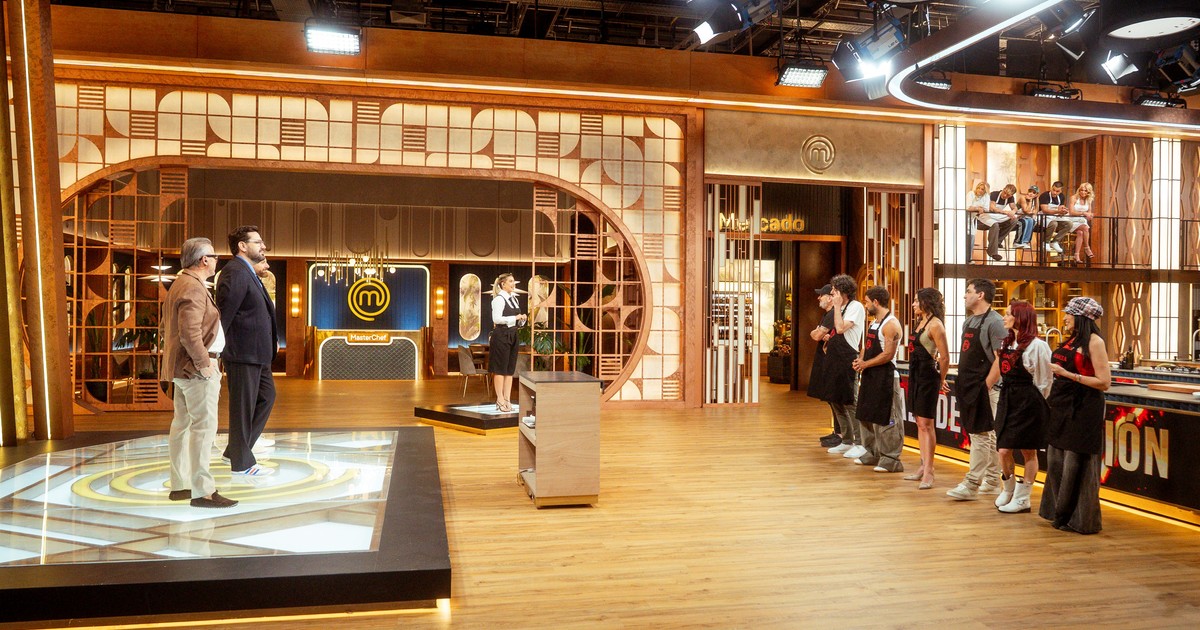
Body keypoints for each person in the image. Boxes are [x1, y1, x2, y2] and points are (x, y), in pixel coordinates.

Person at [161, 237, 237, 508]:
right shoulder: (192, 287)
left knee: (182, 426)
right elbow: (190, 333)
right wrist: (205, 364)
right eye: (214, 257)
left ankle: (181, 485)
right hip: (195, 369)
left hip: (181, 368)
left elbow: (169, 329)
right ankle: (203, 492)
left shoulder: (180, 283)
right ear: (204, 260)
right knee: (203, 429)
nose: (217, 261)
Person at [1040, 297, 1110, 533]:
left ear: (1081, 317)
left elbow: (1104, 382)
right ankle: (1058, 512)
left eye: (1069, 313)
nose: (1065, 317)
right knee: (1056, 460)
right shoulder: (1071, 340)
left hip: (1084, 409)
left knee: (1076, 464)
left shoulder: (1095, 342)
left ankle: (1080, 520)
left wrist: (1069, 375)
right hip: (1062, 406)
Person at [215, 225, 277, 477]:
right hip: (243, 354)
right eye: (258, 242)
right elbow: (224, 317)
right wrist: (217, 352)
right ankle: (241, 464)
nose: (263, 246)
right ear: (242, 246)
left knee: (267, 397)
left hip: (258, 355)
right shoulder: (235, 272)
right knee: (242, 408)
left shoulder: (248, 273)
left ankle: (235, 451)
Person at [988, 300, 1052, 514]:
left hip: (1028, 401)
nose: (1004, 317)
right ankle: (1008, 488)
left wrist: (1037, 403)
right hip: (1008, 398)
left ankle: (1023, 497)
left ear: (1021, 318)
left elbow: (1045, 381)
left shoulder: (1038, 346)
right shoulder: (1008, 343)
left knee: (1028, 450)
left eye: (1008, 314)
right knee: (1003, 449)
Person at [946, 278, 1006, 501]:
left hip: (985, 388)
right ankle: (992, 481)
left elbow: (1001, 360)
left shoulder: (995, 322)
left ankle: (972, 483)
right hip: (969, 386)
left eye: (968, 291)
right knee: (984, 434)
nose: (964, 295)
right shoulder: (969, 321)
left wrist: (986, 386)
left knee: (981, 435)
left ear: (980, 295)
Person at [851, 286, 905, 473]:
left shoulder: (891, 325)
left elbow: (888, 354)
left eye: (866, 302)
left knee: (887, 418)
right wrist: (860, 360)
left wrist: (865, 364)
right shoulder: (874, 323)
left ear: (876, 302)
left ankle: (891, 459)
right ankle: (872, 452)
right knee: (866, 414)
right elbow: (866, 347)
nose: (865, 305)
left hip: (886, 378)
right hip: (870, 376)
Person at [904, 287, 949, 489]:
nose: (913, 304)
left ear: (926, 302)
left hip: (928, 376)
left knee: (926, 423)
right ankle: (923, 465)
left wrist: (941, 379)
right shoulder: (921, 321)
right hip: (916, 373)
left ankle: (929, 470)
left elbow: (944, 357)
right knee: (919, 422)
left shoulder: (936, 325)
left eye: (916, 301)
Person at [825, 274, 867, 461]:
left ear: (843, 291)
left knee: (850, 400)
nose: (832, 293)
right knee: (835, 399)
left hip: (847, 357)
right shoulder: (840, 308)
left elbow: (841, 328)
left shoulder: (855, 307)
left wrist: (835, 307)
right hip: (834, 358)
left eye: (835, 290)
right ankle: (847, 439)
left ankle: (860, 442)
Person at [807, 284, 841, 448]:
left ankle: (841, 434)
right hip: (826, 358)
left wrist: (818, 333)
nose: (818, 298)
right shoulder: (828, 314)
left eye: (822, 295)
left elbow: (816, 335)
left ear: (830, 297)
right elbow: (816, 334)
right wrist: (818, 333)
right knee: (831, 399)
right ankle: (837, 431)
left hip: (833, 360)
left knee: (835, 398)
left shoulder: (833, 314)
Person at [489, 273, 527, 412]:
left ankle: (507, 399)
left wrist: (522, 319)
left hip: (513, 335)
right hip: (501, 335)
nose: (513, 284)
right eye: (510, 281)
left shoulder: (514, 299)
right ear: (502, 284)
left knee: (510, 370)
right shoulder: (498, 300)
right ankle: (499, 400)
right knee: (500, 369)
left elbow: (516, 321)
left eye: (513, 281)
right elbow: (496, 319)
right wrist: (515, 317)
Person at [1039, 181, 1070, 255]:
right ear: (1051, 187)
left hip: (1055, 216)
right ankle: (1046, 242)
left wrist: (1064, 210)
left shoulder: (1061, 196)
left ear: (1061, 191)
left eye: (1057, 191)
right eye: (1053, 190)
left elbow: (1061, 207)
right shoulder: (1044, 195)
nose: (1054, 192)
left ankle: (1055, 241)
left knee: (1069, 224)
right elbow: (1045, 210)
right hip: (1043, 217)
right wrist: (1058, 211)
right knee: (1054, 223)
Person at [1067, 182, 1096, 263]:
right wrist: (1083, 213)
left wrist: (1090, 215)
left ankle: (1076, 255)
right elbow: (1071, 212)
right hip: (1072, 220)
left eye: (1085, 191)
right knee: (1085, 228)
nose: (1083, 192)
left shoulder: (1088, 200)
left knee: (1080, 233)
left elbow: (1089, 213)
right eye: (1081, 190)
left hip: (1081, 221)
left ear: (1088, 192)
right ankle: (1087, 247)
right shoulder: (1074, 198)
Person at [1012, 185, 1039, 250]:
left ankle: (1025, 241)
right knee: (1024, 222)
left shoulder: (1035, 200)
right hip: (1017, 218)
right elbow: (1026, 210)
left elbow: (1035, 212)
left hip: (1025, 218)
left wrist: (1036, 200)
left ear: (1036, 195)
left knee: (1032, 221)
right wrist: (1030, 201)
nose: (1031, 193)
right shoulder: (1023, 198)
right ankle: (1017, 242)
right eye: (1030, 191)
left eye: (1034, 193)